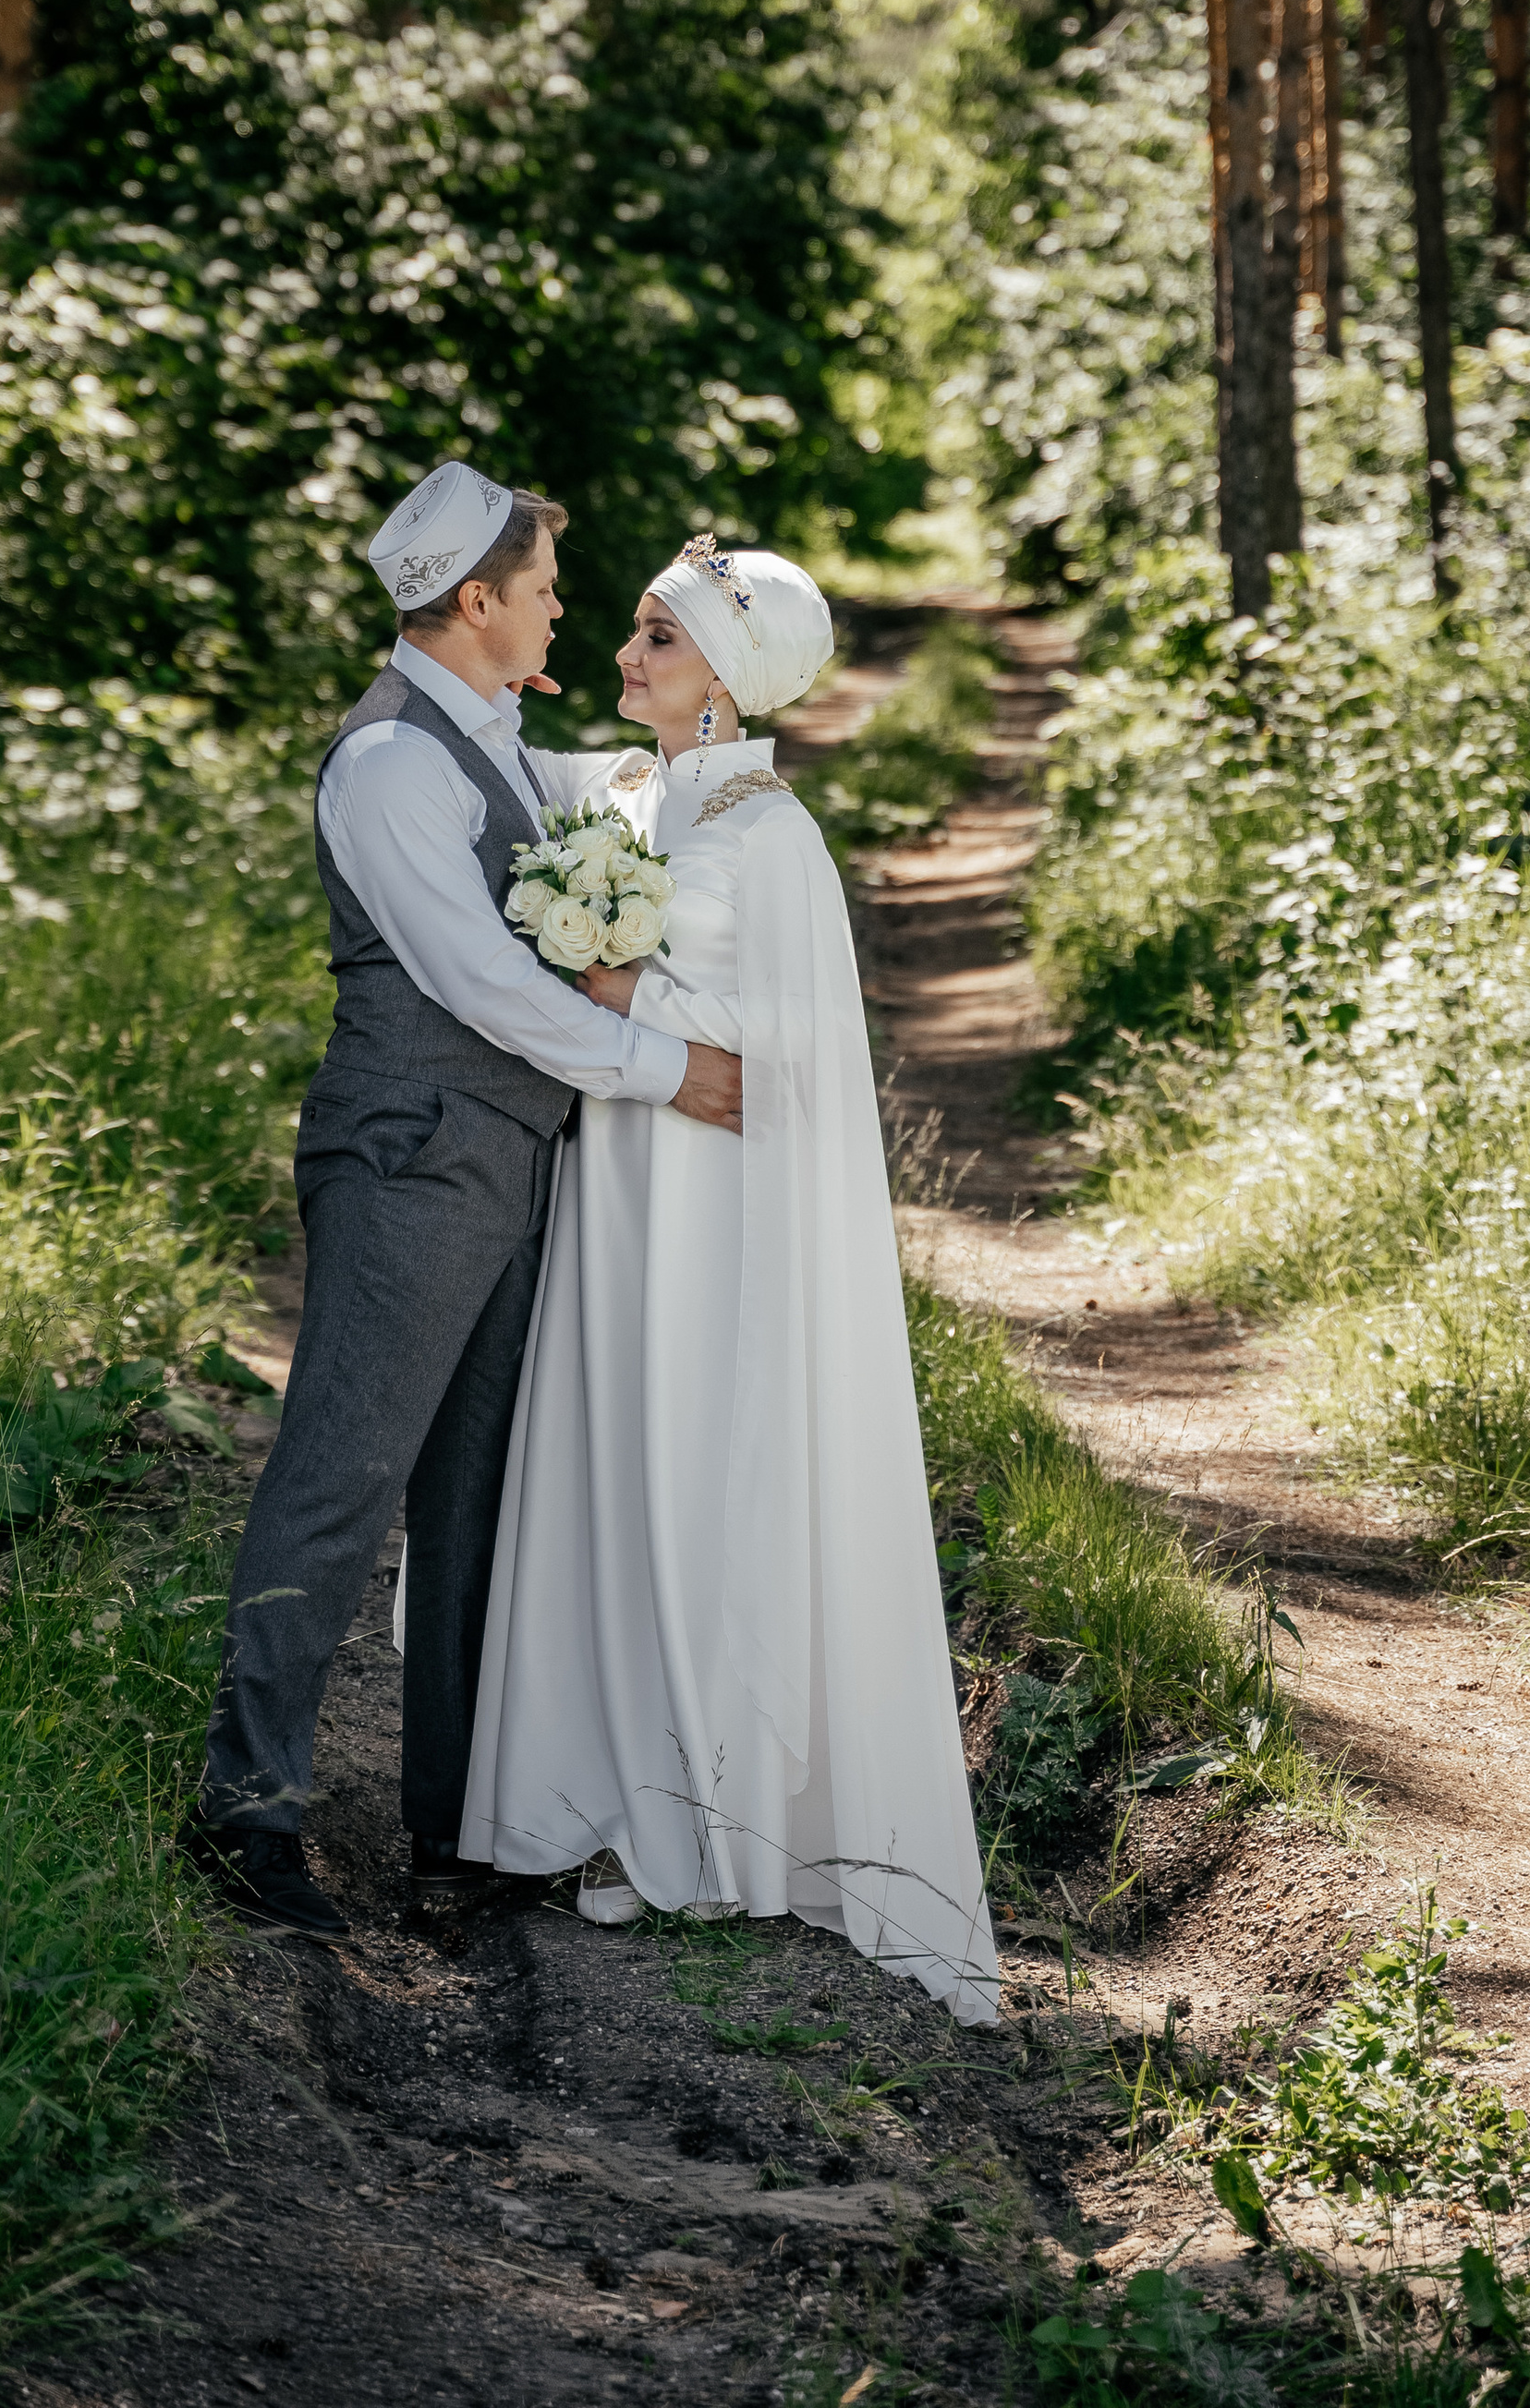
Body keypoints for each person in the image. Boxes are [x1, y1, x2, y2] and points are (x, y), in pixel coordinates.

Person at [186, 464, 745, 1942]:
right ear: (478, 598)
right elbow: (480, 980)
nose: (563, 610)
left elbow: (602, 790)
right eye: (544, 589)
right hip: (410, 1157)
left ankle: (460, 1828)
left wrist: (711, 724)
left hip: (507, 1153)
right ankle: (245, 1814)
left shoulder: (486, 737)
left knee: (478, 1495)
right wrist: (667, 1069)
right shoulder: (388, 762)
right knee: (341, 1477)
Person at [455, 537, 1002, 2018]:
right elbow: (484, 756)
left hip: (713, 1197)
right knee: (613, 1453)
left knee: (698, 1459)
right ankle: (603, 1788)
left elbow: (800, 1049)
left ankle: (711, 1822)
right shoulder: (627, 796)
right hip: (617, 1178)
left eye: (660, 637)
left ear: (730, 676)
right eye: (634, 629)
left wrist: (624, 985)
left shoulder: (773, 836)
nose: (627, 656)